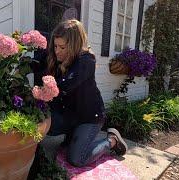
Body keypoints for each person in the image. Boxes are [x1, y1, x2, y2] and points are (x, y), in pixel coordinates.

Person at [45, 19, 128, 167]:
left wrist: (44, 91)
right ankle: (73, 136)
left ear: (74, 45)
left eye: (62, 47)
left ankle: (112, 140)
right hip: (72, 116)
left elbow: (66, 85)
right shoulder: (59, 59)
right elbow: (41, 63)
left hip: (90, 118)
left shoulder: (86, 61)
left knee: (77, 158)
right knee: (48, 126)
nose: (57, 51)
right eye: (55, 46)